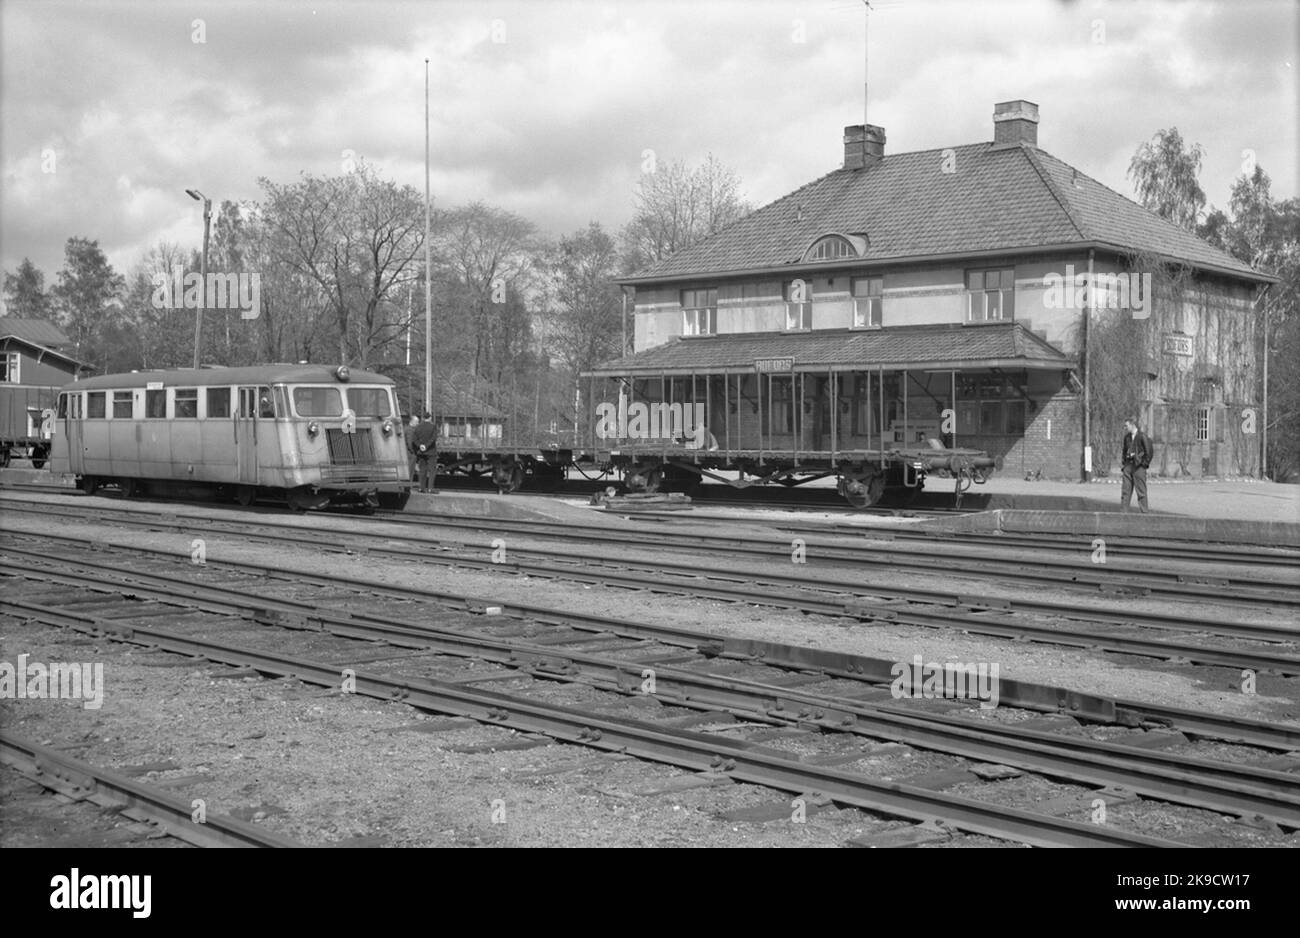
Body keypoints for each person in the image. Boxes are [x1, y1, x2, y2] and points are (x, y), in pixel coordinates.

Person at [1120, 416, 1152, 513]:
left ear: (1132, 424)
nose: (1125, 428)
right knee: (1126, 491)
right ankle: (1123, 513)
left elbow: (1149, 452)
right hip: (1128, 466)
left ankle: (1144, 513)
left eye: (1126, 426)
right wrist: (1124, 463)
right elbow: (1124, 451)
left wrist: (1143, 464)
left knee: (1141, 492)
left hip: (1139, 467)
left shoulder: (1142, 436)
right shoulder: (1127, 438)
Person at [409, 411, 439, 493]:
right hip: (431, 452)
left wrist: (420, 446)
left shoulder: (418, 427)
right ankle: (430, 488)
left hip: (421, 452)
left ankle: (421, 488)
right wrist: (426, 446)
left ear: (423, 418)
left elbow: (414, 439)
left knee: (422, 470)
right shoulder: (433, 427)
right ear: (430, 418)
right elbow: (433, 438)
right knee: (432, 470)